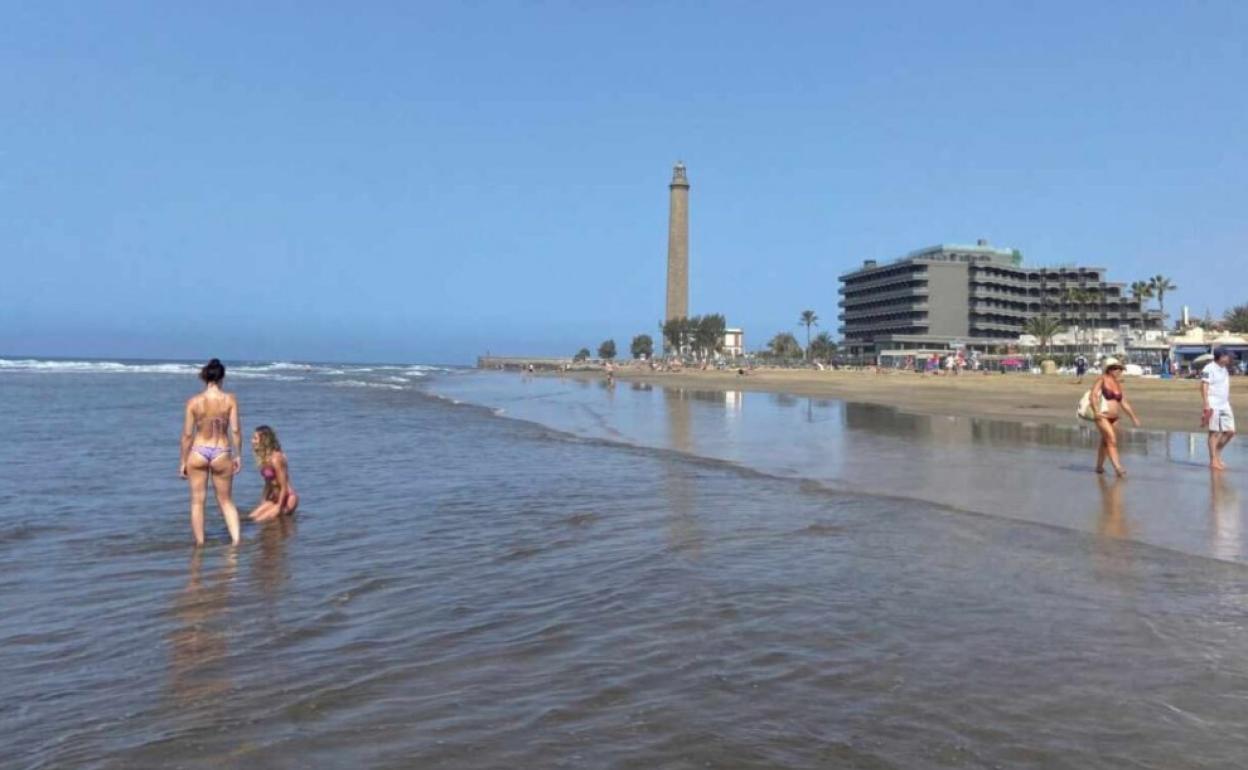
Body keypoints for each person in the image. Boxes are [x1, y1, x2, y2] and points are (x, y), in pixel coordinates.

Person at [179, 358, 242, 546]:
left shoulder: (193, 402)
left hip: (198, 450)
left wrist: (183, 460)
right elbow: (236, 430)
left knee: (197, 502)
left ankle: (200, 544)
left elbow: (187, 435)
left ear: (204, 377)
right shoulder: (229, 399)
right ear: (222, 377)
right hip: (221, 450)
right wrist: (238, 455)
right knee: (226, 501)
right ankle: (236, 542)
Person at [1090, 358, 1141, 476]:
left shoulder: (1117, 384)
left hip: (1115, 418)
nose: (1119, 371)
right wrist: (1096, 411)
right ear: (1109, 370)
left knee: (1105, 441)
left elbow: (1123, 402)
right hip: (1102, 416)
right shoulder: (1102, 379)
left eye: (1120, 369)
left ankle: (1099, 466)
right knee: (1112, 440)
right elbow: (1093, 395)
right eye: (1116, 369)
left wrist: (1133, 417)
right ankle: (1118, 467)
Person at [249, 425, 300, 522]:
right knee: (252, 518)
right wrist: (263, 500)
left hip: (288, 497)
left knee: (260, 521)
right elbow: (268, 483)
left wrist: (279, 507)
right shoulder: (265, 458)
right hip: (275, 497)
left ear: (264, 440)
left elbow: (284, 486)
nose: (252, 441)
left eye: (255, 438)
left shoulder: (276, 458)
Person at [1202, 348, 1236, 470]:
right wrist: (1206, 404)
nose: (1230, 358)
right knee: (1214, 432)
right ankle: (1213, 460)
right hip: (1213, 403)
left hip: (1224, 403)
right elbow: (1204, 386)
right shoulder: (1208, 368)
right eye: (1227, 356)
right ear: (1220, 356)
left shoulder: (1225, 369)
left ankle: (1217, 454)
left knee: (1230, 431)